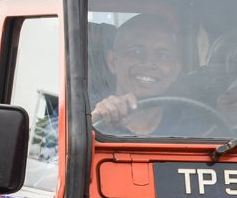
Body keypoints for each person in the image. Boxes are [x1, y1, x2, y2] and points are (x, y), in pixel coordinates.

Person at [91, 10, 218, 138]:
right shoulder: (85, 113)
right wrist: (94, 123)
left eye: (162, 55)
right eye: (135, 51)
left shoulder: (194, 126)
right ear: (113, 62)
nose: (148, 62)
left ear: (175, 71)